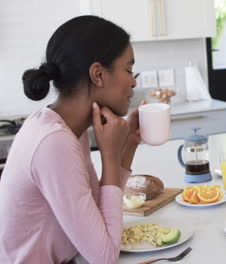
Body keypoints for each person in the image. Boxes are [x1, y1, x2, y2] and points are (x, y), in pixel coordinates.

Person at [0, 16, 143, 263]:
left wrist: (128, 144)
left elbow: (95, 217)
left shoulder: (66, 127)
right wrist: (109, 157)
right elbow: (105, 256)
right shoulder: (54, 141)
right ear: (98, 74)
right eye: (128, 69)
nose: (133, 81)